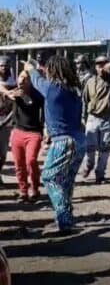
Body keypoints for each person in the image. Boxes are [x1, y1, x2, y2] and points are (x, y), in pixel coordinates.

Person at [24, 56, 86, 233]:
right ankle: (64, 219)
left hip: (64, 141)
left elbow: (36, 80)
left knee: (49, 177)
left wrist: (30, 67)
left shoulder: (53, 88)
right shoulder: (74, 91)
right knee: (66, 181)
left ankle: (64, 220)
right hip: (79, 140)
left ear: (53, 70)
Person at [6, 71, 44, 203]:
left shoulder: (37, 94)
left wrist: (23, 96)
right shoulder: (15, 91)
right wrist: (7, 93)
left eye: (26, 78)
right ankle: (23, 192)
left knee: (31, 161)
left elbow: (31, 103)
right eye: (21, 76)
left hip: (33, 133)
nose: (22, 80)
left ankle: (35, 189)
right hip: (17, 132)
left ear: (31, 81)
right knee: (19, 164)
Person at [82, 55, 110, 184]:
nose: (101, 67)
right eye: (98, 64)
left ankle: (100, 174)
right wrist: (83, 118)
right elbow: (85, 100)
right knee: (90, 148)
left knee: (105, 149)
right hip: (93, 118)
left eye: (104, 64)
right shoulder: (90, 82)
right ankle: (88, 165)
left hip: (108, 118)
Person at [0, 56, 15, 183]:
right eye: (1, 65)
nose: (4, 67)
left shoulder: (13, 83)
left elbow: (15, 108)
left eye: (6, 65)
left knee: (3, 153)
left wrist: (5, 122)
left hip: (6, 121)